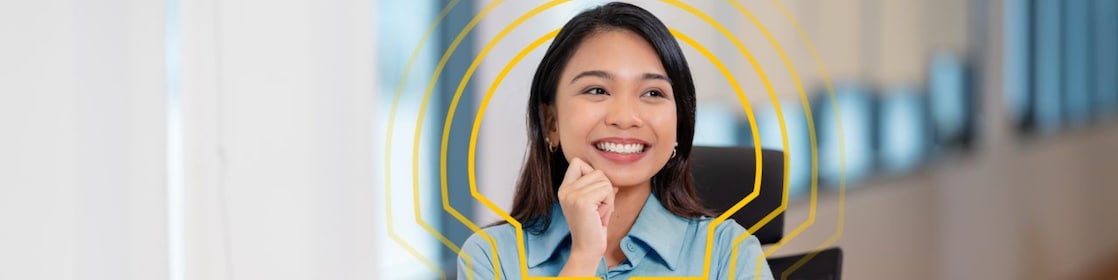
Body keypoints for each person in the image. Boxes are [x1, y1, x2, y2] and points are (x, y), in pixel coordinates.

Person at [457, 2, 773, 279]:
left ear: (679, 124)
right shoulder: (492, 259)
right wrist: (583, 257)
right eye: (597, 90)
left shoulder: (728, 254)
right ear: (551, 122)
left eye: (653, 93)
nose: (625, 117)